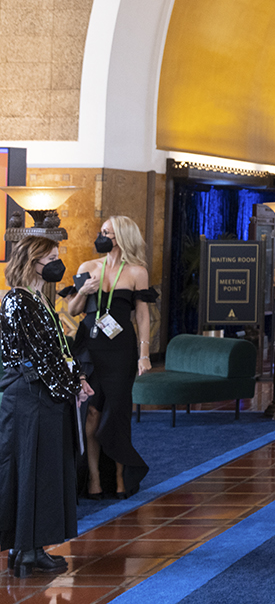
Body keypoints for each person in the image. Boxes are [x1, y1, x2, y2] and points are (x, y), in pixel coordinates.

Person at [0, 237, 92, 577]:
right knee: (28, 472)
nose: (58, 264)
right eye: (51, 258)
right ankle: (24, 550)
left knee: (42, 472)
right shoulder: (18, 301)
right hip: (28, 397)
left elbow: (57, 351)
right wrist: (71, 386)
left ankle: (32, 547)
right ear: (32, 261)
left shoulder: (39, 299)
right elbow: (37, 357)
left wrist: (77, 378)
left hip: (44, 397)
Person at [66, 215, 156, 499]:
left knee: (116, 414)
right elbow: (72, 310)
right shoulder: (88, 267)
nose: (101, 236)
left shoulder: (136, 272)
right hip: (89, 347)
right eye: (101, 231)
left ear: (122, 237)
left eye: (108, 232)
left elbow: (142, 315)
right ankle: (93, 478)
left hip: (121, 349)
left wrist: (144, 354)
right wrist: (83, 291)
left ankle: (119, 476)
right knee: (91, 413)